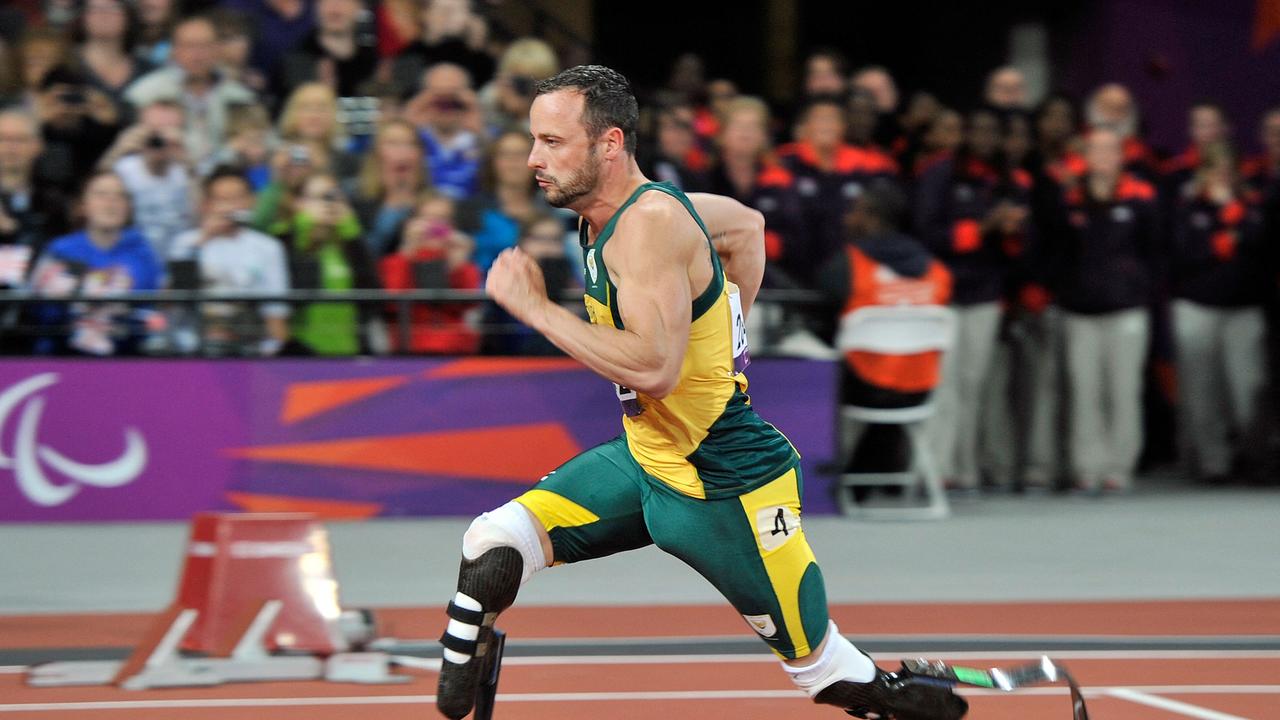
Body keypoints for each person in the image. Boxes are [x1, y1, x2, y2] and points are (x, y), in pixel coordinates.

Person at [434, 64, 967, 720]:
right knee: (495, 544)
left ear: (609, 145)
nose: (533, 158)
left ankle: (921, 706)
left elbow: (654, 369)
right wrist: (724, 337)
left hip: (724, 487)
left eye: (552, 142)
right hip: (649, 460)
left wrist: (537, 310)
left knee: (826, 674)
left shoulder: (648, 224)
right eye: (534, 140)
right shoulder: (614, 210)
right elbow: (744, 227)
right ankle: (463, 689)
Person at [914, 105, 1032, 491]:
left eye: (991, 131)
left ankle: (966, 467)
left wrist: (1012, 233)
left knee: (974, 385)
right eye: (976, 129)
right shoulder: (939, 174)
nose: (983, 138)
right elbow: (927, 235)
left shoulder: (1008, 180)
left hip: (986, 293)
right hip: (945, 293)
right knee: (943, 384)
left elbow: (1022, 247)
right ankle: (935, 469)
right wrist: (982, 229)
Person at [1049, 128, 1158, 493]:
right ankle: (1087, 467)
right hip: (1080, 311)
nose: (1103, 157)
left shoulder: (1140, 195)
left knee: (1124, 390)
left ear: (1121, 154)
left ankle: (1118, 467)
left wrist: (1139, 286)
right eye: (1096, 150)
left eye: (1110, 150)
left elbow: (1156, 250)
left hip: (1127, 310)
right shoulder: (1070, 198)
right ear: (1085, 155)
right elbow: (1057, 250)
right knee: (1085, 392)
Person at [1170, 143, 1270, 483]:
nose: (1222, 176)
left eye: (1228, 170)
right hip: (1198, 307)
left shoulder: (1254, 205)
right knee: (1201, 391)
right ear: (1204, 172)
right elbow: (1176, 256)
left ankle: (1253, 456)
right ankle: (1215, 463)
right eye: (1215, 169)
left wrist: (1240, 223)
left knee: (1249, 390)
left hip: (1244, 309)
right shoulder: (1188, 206)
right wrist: (1212, 248)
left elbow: (1266, 251)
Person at [29, 170, 162, 355]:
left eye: (119, 196)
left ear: (128, 207)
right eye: (101, 195)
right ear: (83, 206)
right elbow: (40, 312)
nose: (111, 203)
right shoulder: (60, 250)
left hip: (126, 357)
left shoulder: (143, 253)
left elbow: (150, 314)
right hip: (63, 355)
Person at [777, 95, 899, 288]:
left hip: (850, 270)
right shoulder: (783, 161)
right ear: (804, 126)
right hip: (793, 271)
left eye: (833, 119)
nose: (827, 125)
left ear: (844, 127)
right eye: (820, 119)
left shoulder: (866, 164)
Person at [168, 167, 291, 356]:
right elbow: (170, 300)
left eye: (238, 198)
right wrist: (203, 239)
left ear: (252, 201)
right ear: (207, 204)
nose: (231, 207)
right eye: (223, 199)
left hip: (250, 347)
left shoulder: (268, 248)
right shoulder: (186, 243)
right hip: (195, 348)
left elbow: (275, 312)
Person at [124, 15, 257, 170]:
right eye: (189, 46)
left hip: (228, 181)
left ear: (217, 49)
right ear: (174, 50)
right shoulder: (144, 94)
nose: (197, 55)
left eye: (205, 46)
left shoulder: (241, 98)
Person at [273, 172, 379, 355]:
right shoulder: (284, 238)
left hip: (350, 351)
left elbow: (372, 296)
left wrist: (352, 233)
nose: (328, 204)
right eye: (318, 198)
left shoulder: (347, 241)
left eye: (332, 196)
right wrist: (304, 227)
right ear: (299, 203)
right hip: (303, 353)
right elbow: (299, 287)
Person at [704, 96, 804, 281]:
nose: (745, 133)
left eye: (753, 127)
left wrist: (746, 243)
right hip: (711, 276)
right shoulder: (703, 177)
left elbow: (794, 239)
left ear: (764, 136)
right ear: (721, 133)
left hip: (770, 277)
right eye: (738, 126)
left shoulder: (780, 181)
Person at [378, 191, 481, 354]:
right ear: (411, 223)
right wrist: (407, 252)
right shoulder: (396, 261)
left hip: (457, 350)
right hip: (408, 351)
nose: (435, 226)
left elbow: (468, 305)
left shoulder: (460, 262)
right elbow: (392, 305)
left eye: (443, 219)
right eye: (427, 218)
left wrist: (457, 266)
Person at [103, 99, 197, 260]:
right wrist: (117, 150)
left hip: (178, 258)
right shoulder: (123, 168)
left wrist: (189, 167)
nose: (159, 140)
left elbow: (197, 221)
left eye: (168, 130)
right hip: (129, 258)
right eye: (153, 132)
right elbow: (93, 196)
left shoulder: (186, 169)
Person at [456, 130, 552, 271]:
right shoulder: (469, 210)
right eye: (505, 155)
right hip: (482, 288)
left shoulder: (551, 207)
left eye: (521, 155)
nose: (513, 162)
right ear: (492, 162)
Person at [350, 118, 431, 257]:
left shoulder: (433, 200)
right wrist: (392, 208)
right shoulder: (355, 196)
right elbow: (361, 256)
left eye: (410, 144)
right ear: (377, 152)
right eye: (393, 143)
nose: (403, 151)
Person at [405, 62, 484, 199]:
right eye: (438, 101)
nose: (446, 108)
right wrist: (410, 119)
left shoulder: (484, 140)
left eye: (454, 102)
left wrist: (479, 127)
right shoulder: (414, 139)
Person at [277, 0, 379, 98]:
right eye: (327, 0)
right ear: (316, 6)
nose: (334, 6)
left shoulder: (374, 61)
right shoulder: (296, 62)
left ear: (360, 7)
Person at [390, 0, 493, 96]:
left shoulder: (479, 60)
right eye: (446, 12)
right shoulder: (410, 56)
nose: (455, 20)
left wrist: (477, 47)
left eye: (462, 12)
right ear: (426, 14)